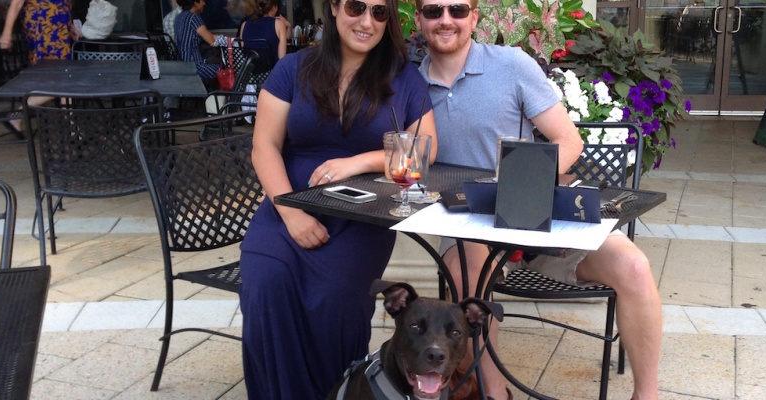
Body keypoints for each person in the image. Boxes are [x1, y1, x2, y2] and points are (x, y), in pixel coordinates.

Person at [414, 0, 662, 399]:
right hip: (468, 221)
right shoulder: (410, 85)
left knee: (633, 266)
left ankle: (646, 396)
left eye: (457, 10)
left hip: (537, 212)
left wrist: (520, 184)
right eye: (433, 10)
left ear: (474, 17)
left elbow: (569, 141)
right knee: (466, 277)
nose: (446, 20)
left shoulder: (511, 65)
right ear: (419, 19)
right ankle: (494, 393)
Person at [239, 0, 437, 397]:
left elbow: (424, 150)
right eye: (356, 7)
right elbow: (264, 146)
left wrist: (357, 162)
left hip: (362, 216)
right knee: (266, 288)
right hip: (287, 203)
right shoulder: (292, 69)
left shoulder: (403, 77)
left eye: (379, 12)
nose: (366, 21)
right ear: (334, 7)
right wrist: (291, 213)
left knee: (337, 301)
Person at [0, 0, 78, 131]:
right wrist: (6, 33)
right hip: (44, 27)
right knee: (62, 80)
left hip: (58, 28)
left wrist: (69, 26)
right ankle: (18, 114)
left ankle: (73, 130)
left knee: (64, 77)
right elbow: (16, 3)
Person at [174, 0, 228, 82]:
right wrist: (229, 40)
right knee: (225, 71)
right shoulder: (193, 17)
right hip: (194, 66)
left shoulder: (179, 17)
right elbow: (212, 41)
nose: (204, 3)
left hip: (181, 64)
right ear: (195, 3)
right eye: (202, 1)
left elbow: (206, 34)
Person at [239, 0, 288, 74]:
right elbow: (282, 60)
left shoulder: (244, 25)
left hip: (251, 76)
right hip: (272, 76)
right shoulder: (278, 24)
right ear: (274, 7)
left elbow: (245, 54)